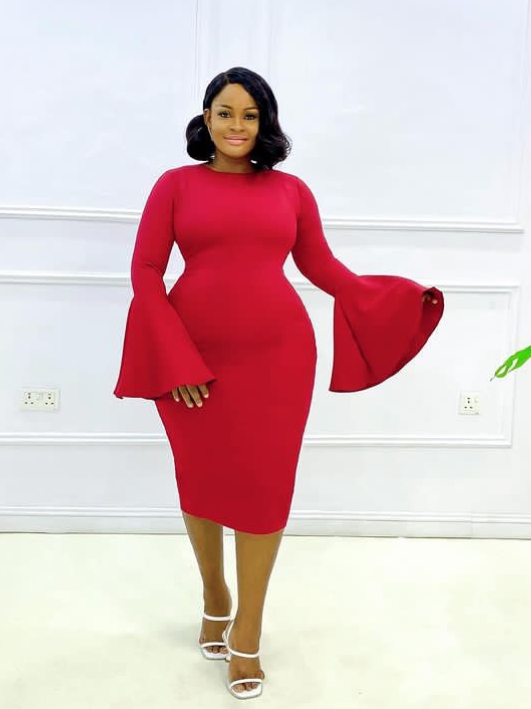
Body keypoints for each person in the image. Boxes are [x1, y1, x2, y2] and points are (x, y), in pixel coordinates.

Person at [113, 66, 444, 699]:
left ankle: (248, 629)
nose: (237, 125)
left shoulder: (291, 191)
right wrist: (175, 359)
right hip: (192, 361)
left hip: (278, 360)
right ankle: (215, 594)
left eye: (250, 114)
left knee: (265, 491)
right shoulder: (174, 185)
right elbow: (146, 270)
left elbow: (321, 266)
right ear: (206, 118)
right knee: (201, 479)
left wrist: (394, 297)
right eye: (225, 112)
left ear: (265, 123)